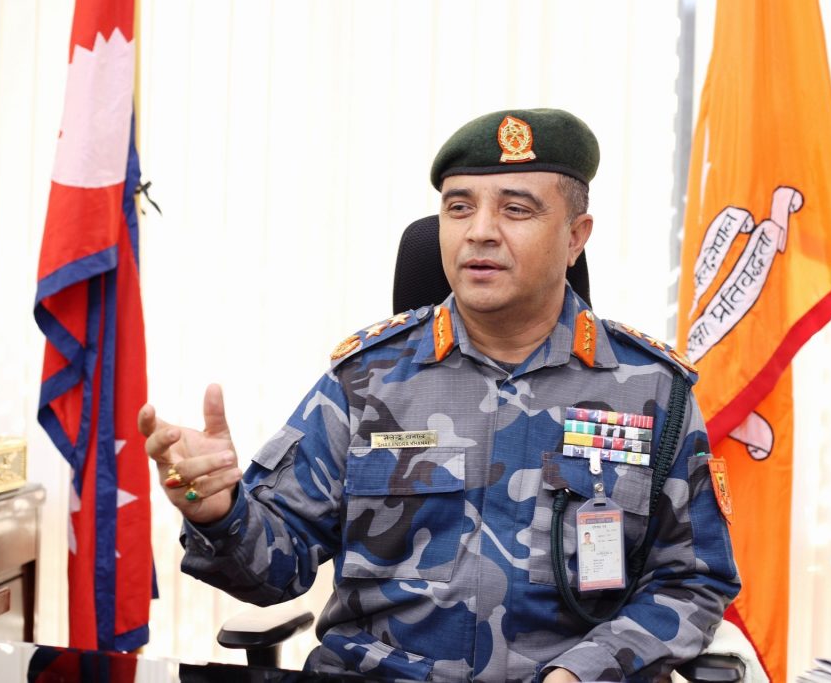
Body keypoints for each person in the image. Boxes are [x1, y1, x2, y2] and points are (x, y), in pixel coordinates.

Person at [139, 108, 739, 682]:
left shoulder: (650, 390)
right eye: (459, 207)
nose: (480, 231)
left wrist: (585, 671)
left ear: (575, 237)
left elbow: (692, 581)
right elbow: (274, 570)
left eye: (516, 209)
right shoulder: (367, 378)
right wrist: (219, 511)